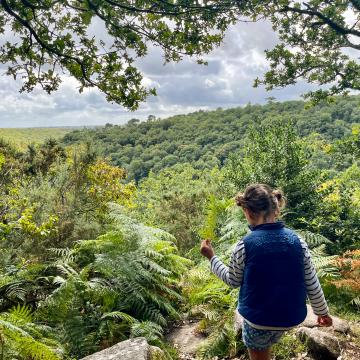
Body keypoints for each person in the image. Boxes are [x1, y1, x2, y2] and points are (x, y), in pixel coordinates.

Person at [200, 184, 332, 360]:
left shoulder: (244, 245)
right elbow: (311, 280)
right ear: (276, 208)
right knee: (269, 338)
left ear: (248, 212)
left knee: (259, 353)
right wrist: (322, 312)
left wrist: (211, 258)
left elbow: (232, 280)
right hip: (291, 317)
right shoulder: (297, 241)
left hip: (258, 320)